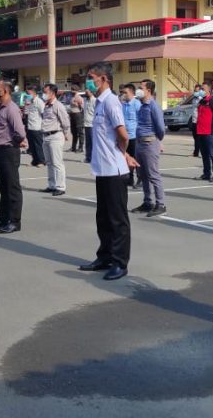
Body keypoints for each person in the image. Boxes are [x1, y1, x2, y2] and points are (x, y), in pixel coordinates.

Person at [78, 63, 139, 281]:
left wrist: (123, 153)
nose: (88, 81)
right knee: (102, 218)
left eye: (91, 77)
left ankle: (120, 262)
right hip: (102, 170)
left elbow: (123, 135)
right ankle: (104, 256)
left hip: (114, 171)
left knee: (117, 219)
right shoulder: (99, 103)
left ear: (104, 79)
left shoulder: (111, 102)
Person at [0, 79, 27, 233]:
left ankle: (15, 221)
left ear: (5, 91)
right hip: (0, 151)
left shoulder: (11, 108)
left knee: (12, 187)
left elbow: (20, 132)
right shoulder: (1, 108)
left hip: (9, 151)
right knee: (3, 187)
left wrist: (13, 143)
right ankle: (3, 218)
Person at [132, 79, 167, 217]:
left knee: (153, 175)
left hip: (149, 143)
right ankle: (148, 202)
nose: (138, 90)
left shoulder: (153, 106)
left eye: (141, 88)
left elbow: (160, 128)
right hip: (140, 143)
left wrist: (156, 141)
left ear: (149, 91)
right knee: (142, 175)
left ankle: (161, 204)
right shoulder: (141, 105)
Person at [40, 84, 71, 196]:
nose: (43, 94)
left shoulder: (58, 105)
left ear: (52, 93)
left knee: (57, 163)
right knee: (49, 163)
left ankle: (60, 187)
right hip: (46, 136)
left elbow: (66, 122)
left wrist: (65, 133)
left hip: (55, 136)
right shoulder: (46, 105)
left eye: (45, 92)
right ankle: (52, 185)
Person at [195, 91, 213, 182]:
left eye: (203, 89)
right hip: (201, 131)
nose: (201, 91)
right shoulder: (201, 101)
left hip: (210, 131)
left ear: (208, 91)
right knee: (204, 154)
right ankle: (206, 174)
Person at [121, 84, 142, 188]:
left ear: (132, 93)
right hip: (125, 136)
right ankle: (129, 179)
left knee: (136, 158)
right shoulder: (123, 104)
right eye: (123, 93)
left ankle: (140, 178)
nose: (124, 95)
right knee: (126, 158)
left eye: (126, 93)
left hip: (134, 136)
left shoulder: (137, 104)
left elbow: (141, 120)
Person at [24, 86, 46, 167]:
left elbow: (43, 113)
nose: (27, 95)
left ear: (34, 93)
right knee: (32, 145)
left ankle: (41, 161)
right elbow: (26, 112)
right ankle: (34, 160)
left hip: (37, 126)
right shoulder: (29, 101)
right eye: (27, 93)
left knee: (38, 145)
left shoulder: (39, 101)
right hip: (29, 126)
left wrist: (44, 125)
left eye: (29, 93)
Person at [82, 86, 97, 163]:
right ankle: (88, 157)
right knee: (87, 142)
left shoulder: (95, 101)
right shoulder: (85, 100)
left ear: (91, 92)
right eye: (85, 92)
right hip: (86, 124)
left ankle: (93, 158)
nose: (86, 93)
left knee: (93, 142)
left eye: (87, 92)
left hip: (92, 125)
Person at [190, 84, 205, 157]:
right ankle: (196, 151)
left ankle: (197, 152)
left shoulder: (201, 99)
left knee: (199, 137)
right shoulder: (194, 98)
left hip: (199, 120)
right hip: (194, 119)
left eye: (197, 90)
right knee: (195, 137)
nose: (195, 91)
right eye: (195, 90)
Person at [68, 88, 85, 153]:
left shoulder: (79, 97)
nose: (72, 91)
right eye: (71, 90)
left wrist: (78, 105)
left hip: (78, 115)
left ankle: (80, 147)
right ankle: (73, 147)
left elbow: (82, 107)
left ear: (76, 90)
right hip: (72, 115)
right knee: (74, 132)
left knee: (80, 131)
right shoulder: (72, 97)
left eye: (73, 90)